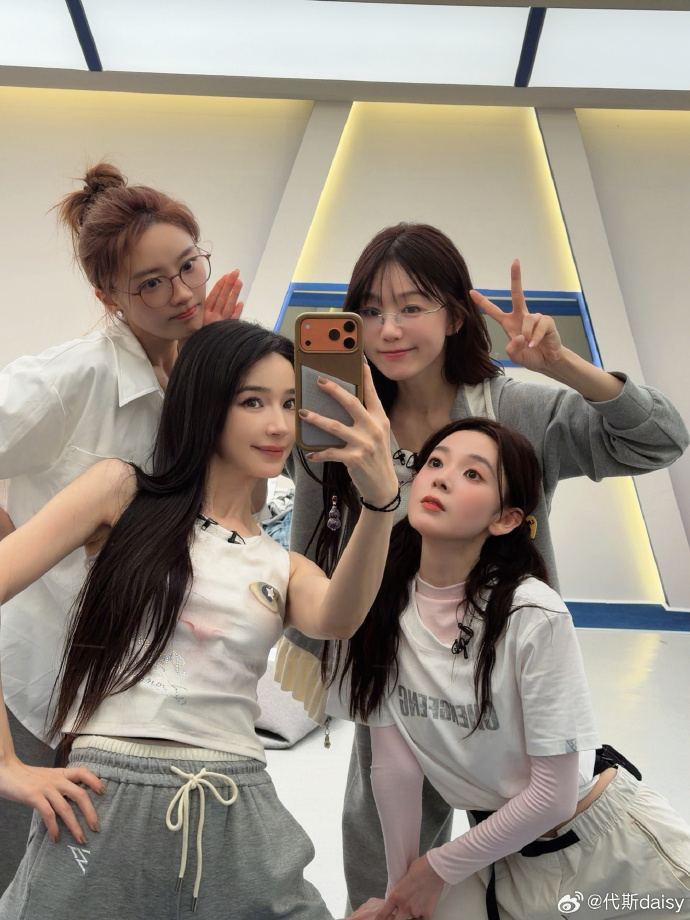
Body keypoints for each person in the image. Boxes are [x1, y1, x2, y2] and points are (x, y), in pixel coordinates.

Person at [276, 222, 689, 909]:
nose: (388, 329)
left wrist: (564, 366)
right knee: (382, 871)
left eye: (412, 306)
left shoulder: (514, 408)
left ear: (454, 315)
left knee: (522, 869)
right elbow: (315, 534)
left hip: (501, 678)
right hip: (393, 679)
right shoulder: (344, 419)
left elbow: (660, 440)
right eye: (370, 310)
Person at [0, 320, 399, 919]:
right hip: (105, 797)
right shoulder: (121, 492)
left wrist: (381, 504)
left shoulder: (282, 564)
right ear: (204, 403)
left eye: (289, 403)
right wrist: (8, 767)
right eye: (252, 402)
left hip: (237, 798)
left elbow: (340, 619)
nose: (278, 425)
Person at [329, 418, 690, 920]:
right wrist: (399, 895)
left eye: (472, 474)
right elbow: (397, 770)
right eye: (435, 462)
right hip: (504, 854)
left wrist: (436, 869)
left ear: (504, 519)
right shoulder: (380, 605)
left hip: (610, 847)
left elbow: (553, 795)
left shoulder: (532, 613)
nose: (442, 478)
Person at [0, 162, 244, 890]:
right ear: (108, 297)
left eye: (189, 265)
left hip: (132, 694)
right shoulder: (72, 378)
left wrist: (218, 380)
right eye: (151, 284)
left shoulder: (199, 373)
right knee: (19, 885)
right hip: (35, 690)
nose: (183, 294)